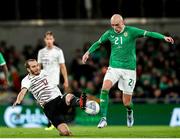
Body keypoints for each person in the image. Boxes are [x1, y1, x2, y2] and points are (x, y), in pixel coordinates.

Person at [82, 14, 174, 128]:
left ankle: (130, 112)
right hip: (114, 67)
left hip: (129, 70)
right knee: (104, 89)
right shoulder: (109, 33)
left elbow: (149, 33)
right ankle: (103, 118)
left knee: (126, 103)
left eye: (117, 25)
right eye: (113, 25)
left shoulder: (132, 31)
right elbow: (98, 43)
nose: (115, 27)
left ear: (123, 22)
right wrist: (87, 53)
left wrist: (163, 37)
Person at [13, 59, 86, 136]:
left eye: (37, 65)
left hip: (59, 100)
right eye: (33, 66)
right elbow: (22, 92)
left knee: (69, 96)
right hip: (49, 107)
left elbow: (59, 67)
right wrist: (18, 101)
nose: (37, 68)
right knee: (66, 133)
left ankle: (80, 103)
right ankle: (61, 129)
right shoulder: (26, 80)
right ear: (28, 69)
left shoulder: (45, 72)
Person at [37, 31, 69, 130]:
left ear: (53, 40)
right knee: (44, 103)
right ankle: (51, 121)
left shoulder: (58, 51)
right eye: (47, 39)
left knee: (58, 103)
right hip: (44, 82)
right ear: (44, 40)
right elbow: (38, 67)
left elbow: (62, 66)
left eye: (50, 39)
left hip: (55, 81)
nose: (49, 41)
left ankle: (57, 121)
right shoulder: (41, 52)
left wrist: (66, 80)